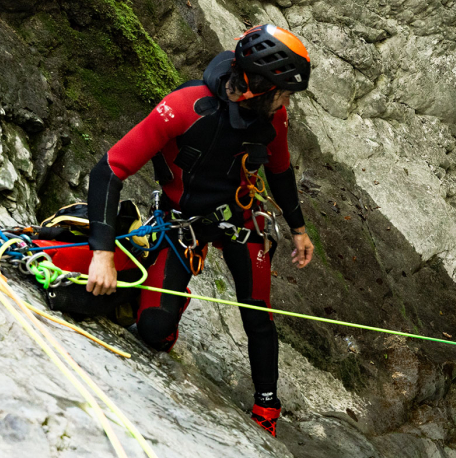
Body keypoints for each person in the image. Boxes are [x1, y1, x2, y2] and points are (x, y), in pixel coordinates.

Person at [84, 24, 315, 437]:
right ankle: (170, 300)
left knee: (257, 315)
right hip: (183, 225)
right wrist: (101, 252)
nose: (286, 103)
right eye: (282, 92)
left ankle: (267, 408)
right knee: (153, 330)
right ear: (255, 86)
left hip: (241, 221)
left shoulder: (272, 117)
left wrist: (298, 228)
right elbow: (109, 170)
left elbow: (280, 169)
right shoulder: (184, 107)